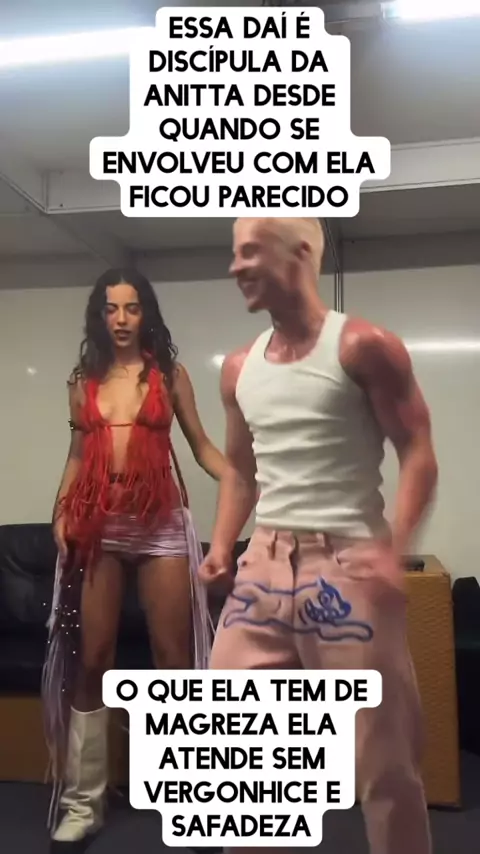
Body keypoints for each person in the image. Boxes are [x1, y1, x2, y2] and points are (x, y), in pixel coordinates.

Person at [200, 217, 438, 854]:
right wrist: (221, 546)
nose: (235, 267)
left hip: (348, 567)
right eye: (234, 253)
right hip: (263, 565)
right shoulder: (238, 368)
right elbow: (241, 472)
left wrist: (395, 549)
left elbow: (417, 451)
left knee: (384, 762)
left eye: (249, 252)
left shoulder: (364, 347)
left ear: (300, 251)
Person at [43, 267, 226, 851]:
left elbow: (202, 447)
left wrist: (248, 480)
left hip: (161, 526)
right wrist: (60, 512)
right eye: (111, 309)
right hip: (100, 525)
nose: (121, 319)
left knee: (174, 661)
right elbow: (77, 455)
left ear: (146, 313)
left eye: (131, 308)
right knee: (93, 660)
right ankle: (82, 805)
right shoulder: (83, 381)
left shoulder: (170, 376)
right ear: (99, 316)